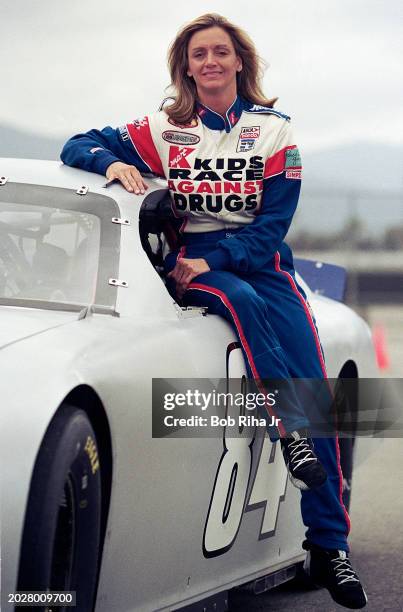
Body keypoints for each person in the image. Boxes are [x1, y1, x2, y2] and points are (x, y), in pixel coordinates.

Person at [61, 13, 367, 609]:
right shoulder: (163, 127)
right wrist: (112, 164)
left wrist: (226, 253)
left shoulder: (275, 132)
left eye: (220, 52)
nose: (210, 62)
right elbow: (77, 144)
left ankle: (330, 546)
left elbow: (275, 224)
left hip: (261, 259)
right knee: (242, 301)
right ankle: (291, 434)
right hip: (194, 262)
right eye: (198, 53)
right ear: (186, 65)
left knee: (313, 384)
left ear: (238, 62)